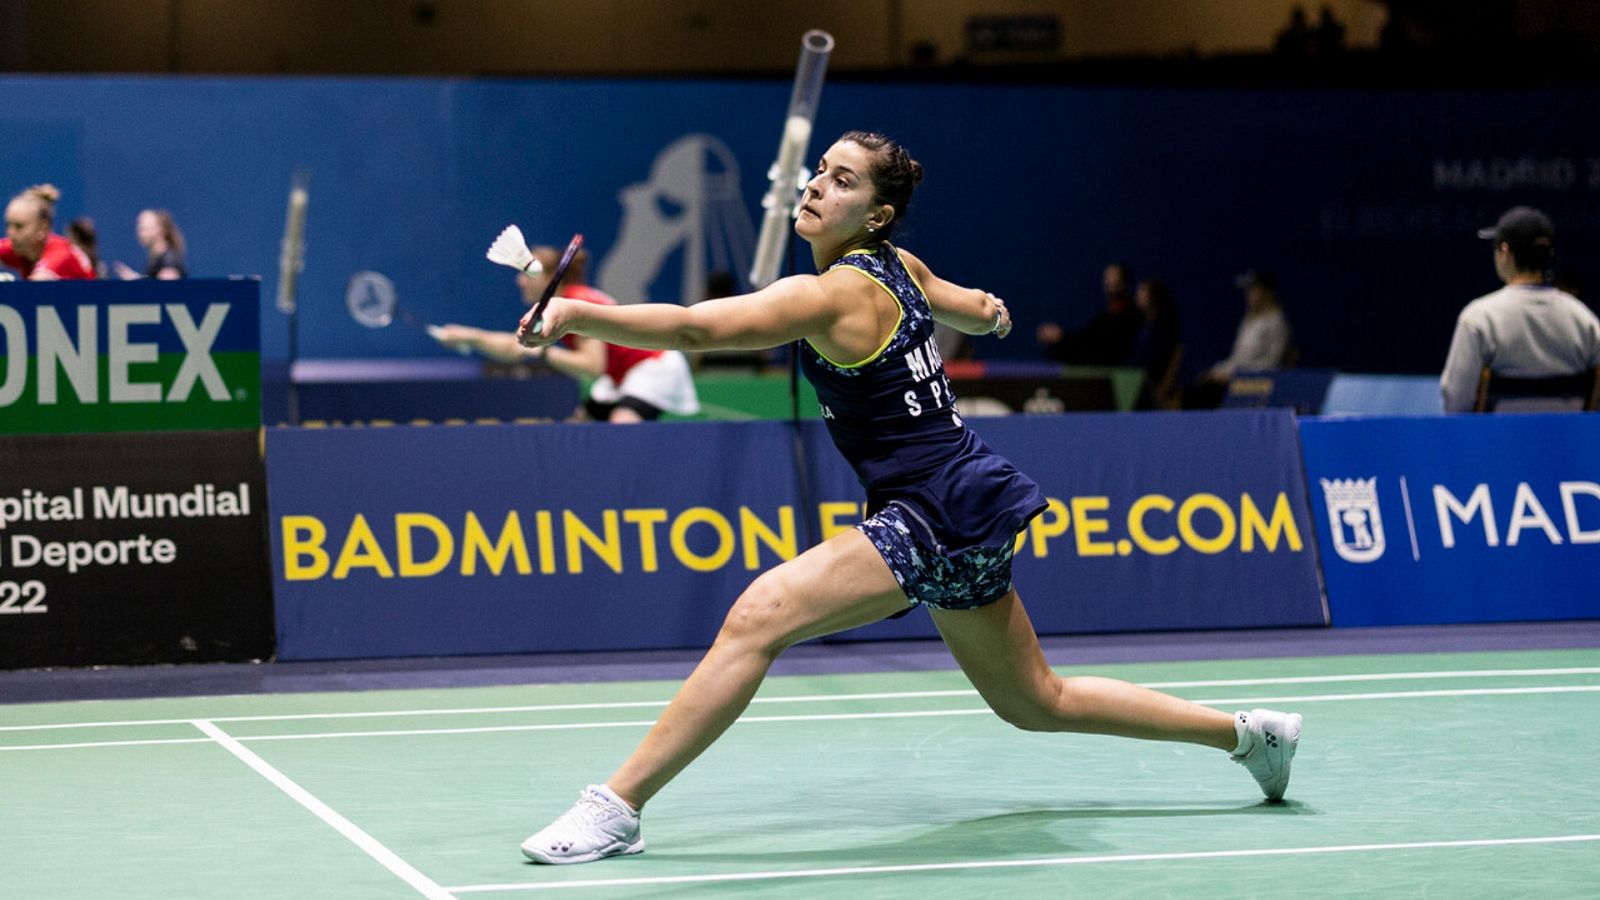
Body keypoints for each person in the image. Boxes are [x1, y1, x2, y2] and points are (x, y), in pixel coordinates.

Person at [512, 130, 1304, 865]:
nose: (819, 185)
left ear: (876, 214)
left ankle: (616, 807)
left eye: (842, 179)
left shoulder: (830, 295)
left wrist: (579, 311)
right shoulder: (899, 264)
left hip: (932, 507)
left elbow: (693, 329)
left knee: (760, 616)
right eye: (820, 170)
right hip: (969, 499)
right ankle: (1248, 737)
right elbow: (954, 295)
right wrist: (986, 313)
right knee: (1036, 701)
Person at [434, 244, 699, 423]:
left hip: (650, 367)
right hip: (619, 375)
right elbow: (517, 348)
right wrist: (469, 336)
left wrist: (544, 353)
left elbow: (593, 366)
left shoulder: (577, 304)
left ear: (549, 278)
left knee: (623, 429)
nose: (520, 280)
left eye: (526, 274)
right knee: (578, 427)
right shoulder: (556, 306)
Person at [1440, 206, 1600, 412]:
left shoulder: (1479, 319)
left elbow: (1456, 402)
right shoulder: (1585, 321)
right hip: (1569, 443)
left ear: (1505, 252)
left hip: (1496, 443)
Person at [1182, 269, 1292, 409]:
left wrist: (1235, 375)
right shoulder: (1248, 321)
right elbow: (1237, 358)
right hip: (1235, 379)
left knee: (1200, 396)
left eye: (1253, 290)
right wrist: (1217, 371)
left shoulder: (1277, 323)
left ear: (1267, 292)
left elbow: (1271, 365)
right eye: (1248, 290)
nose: (1249, 295)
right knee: (1194, 389)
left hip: (1255, 384)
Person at [1036, 262, 1142, 365]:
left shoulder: (1133, 316)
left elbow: (1099, 345)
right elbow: (1086, 337)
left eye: (1114, 278)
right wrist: (1060, 337)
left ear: (1125, 283)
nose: (1110, 282)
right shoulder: (1104, 315)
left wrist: (1062, 337)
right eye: (1107, 278)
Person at [0, 184, 97, 280]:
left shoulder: (61, 256)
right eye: (8, 225)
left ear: (43, 228)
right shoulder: (19, 246)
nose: (10, 233)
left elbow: (32, 290)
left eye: (19, 226)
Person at [1128, 277, 1183, 409]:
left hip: (1151, 390)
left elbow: (1152, 364)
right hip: (1134, 383)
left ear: (1154, 296)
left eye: (1142, 291)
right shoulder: (1140, 326)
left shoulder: (1163, 331)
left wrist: (1161, 391)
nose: (1138, 295)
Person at [113, 208, 186, 279]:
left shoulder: (169, 260)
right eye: (139, 227)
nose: (140, 232)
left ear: (160, 230)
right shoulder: (156, 262)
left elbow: (167, 288)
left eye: (144, 227)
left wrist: (136, 281)